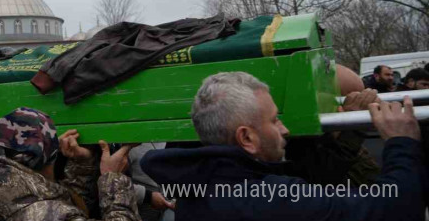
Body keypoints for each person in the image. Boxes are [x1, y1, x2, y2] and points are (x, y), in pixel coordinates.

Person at [141, 71, 427, 221]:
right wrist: (402, 141)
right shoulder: (272, 199)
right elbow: (396, 209)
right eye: (274, 120)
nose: (285, 129)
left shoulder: (194, 189)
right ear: (247, 138)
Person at [0, 107, 142, 221]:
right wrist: (113, 179)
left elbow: (59, 202)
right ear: (48, 162)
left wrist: (82, 164)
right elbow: (56, 210)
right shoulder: (43, 214)